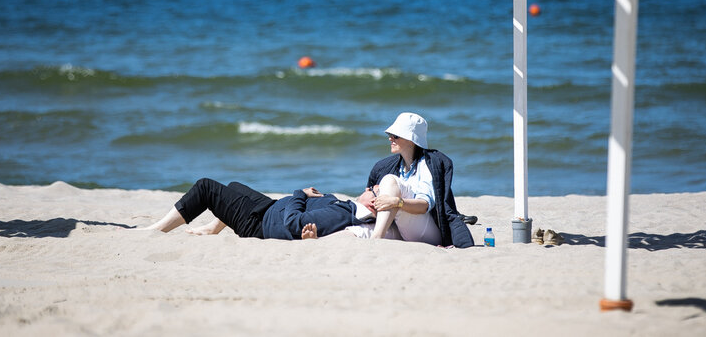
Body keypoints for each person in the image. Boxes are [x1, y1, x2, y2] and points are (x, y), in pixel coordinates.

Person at [136, 178, 376, 240]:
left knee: (206, 188)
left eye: (373, 190)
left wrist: (299, 193)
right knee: (234, 186)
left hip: (258, 223)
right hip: (268, 208)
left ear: (372, 202)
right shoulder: (347, 207)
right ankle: (213, 228)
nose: (369, 187)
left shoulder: (344, 213)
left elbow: (294, 222)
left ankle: (155, 230)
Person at [365, 112, 474, 248]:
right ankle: (376, 238)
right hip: (401, 226)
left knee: (390, 181)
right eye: (390, 135)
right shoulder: (389, 165)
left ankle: (377, 240)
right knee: (355, 231)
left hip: (427, 231)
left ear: (411, 139)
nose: (390, 139)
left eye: (396, 136)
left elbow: (424, 206)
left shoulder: (427, 164)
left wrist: (396, 202)